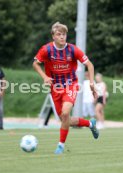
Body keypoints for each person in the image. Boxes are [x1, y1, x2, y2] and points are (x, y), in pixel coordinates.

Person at [33, 22, 99, 154]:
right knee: (65, 119)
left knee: (65, 113)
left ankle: (60, 146)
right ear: (53, 36)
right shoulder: (46, 50)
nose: (62, 37)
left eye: (64, 34)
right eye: (59, 34)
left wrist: (92, 83)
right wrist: (45, 77)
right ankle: (90, 124)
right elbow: (35, 63)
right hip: (55, 88)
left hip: (71, 85)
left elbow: (90, 65)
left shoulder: (73, 49)